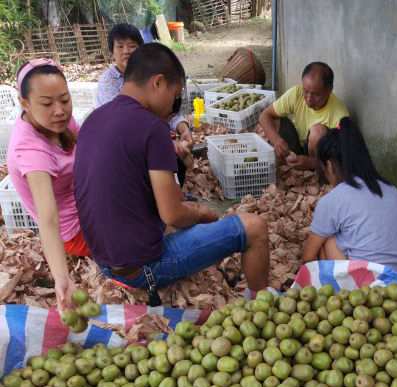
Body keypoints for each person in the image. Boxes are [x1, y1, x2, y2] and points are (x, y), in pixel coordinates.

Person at [74, 43, 269, 298]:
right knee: (253, 226)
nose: (173, 107)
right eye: (175, 96)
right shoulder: (152, 128)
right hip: (141, 269)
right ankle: (261, 305)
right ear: (158, 83)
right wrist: (201, 212)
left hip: (105, 261)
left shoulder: (93, 119)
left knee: (189, 211)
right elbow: (172, 214)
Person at [7, 59, 90, 311]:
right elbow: (48, 218)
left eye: (64, 100)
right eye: (46, 103)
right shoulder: (31, 149)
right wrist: (62, 279)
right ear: (25, 104)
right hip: (74, 231)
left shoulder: (58, 123)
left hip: (86, 200)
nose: (59, 110)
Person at [302, 118, 397, 274]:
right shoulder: (390, 189)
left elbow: (308, 257)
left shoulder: (333, 200)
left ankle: (336, 286)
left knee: (327, 240)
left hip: (365, 287)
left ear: (329, 165)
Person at [96, 23, 193, 186]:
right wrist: (163, 143)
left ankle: (173, 195)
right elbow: (125, 123)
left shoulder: (150, 75)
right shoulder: (108, 81)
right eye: (120, 47)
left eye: (132, 46)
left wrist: (182, 126)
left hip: (149, 136)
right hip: (125, 143)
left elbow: (164, 109)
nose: (126, 51)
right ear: (112, 52)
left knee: (177, 159)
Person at [259, 62, 349, 170]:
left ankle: (316, 176)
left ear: (329, 90)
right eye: (305, 91)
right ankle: (287, 163)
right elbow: (264, 115)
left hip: (320, 160)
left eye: (316, 95)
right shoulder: (296, 93)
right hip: (297, 147)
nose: (309, 99)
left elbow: (343, 159)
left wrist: (312, 163)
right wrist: (276, 140)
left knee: (317, 132)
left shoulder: (340, 115)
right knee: (274, 120)